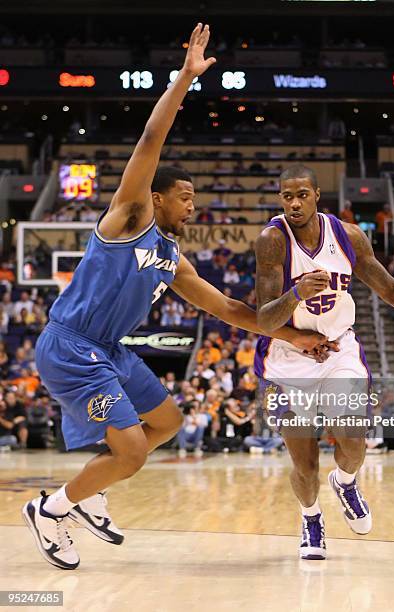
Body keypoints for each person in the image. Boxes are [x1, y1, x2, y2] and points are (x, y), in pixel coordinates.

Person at [23, 26, 330, 572]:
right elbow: (149, 142)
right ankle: (50, 509)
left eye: (195, 198)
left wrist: (296, 337)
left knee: (166, 421)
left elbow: (231, 311)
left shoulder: (171, 257)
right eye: (184, 197)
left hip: (108, 349)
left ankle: (89, 491)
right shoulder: (129, 219)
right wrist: (186, 78)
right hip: (71, 345)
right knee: (133, 453)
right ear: (156, 197)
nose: (192, 205)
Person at [254, 164, 394, 560]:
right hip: (288, 356)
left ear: (316, 195)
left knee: (354, 440)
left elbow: (391, 288)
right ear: (280, 198)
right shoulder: (272, 240)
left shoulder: (347, 236)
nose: (294, 203)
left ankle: (345, 482)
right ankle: (311, 519)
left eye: (302, 195)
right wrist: (295, 294)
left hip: (339, 349)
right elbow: (263, 319)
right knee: (304, 464)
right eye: (287, 196)